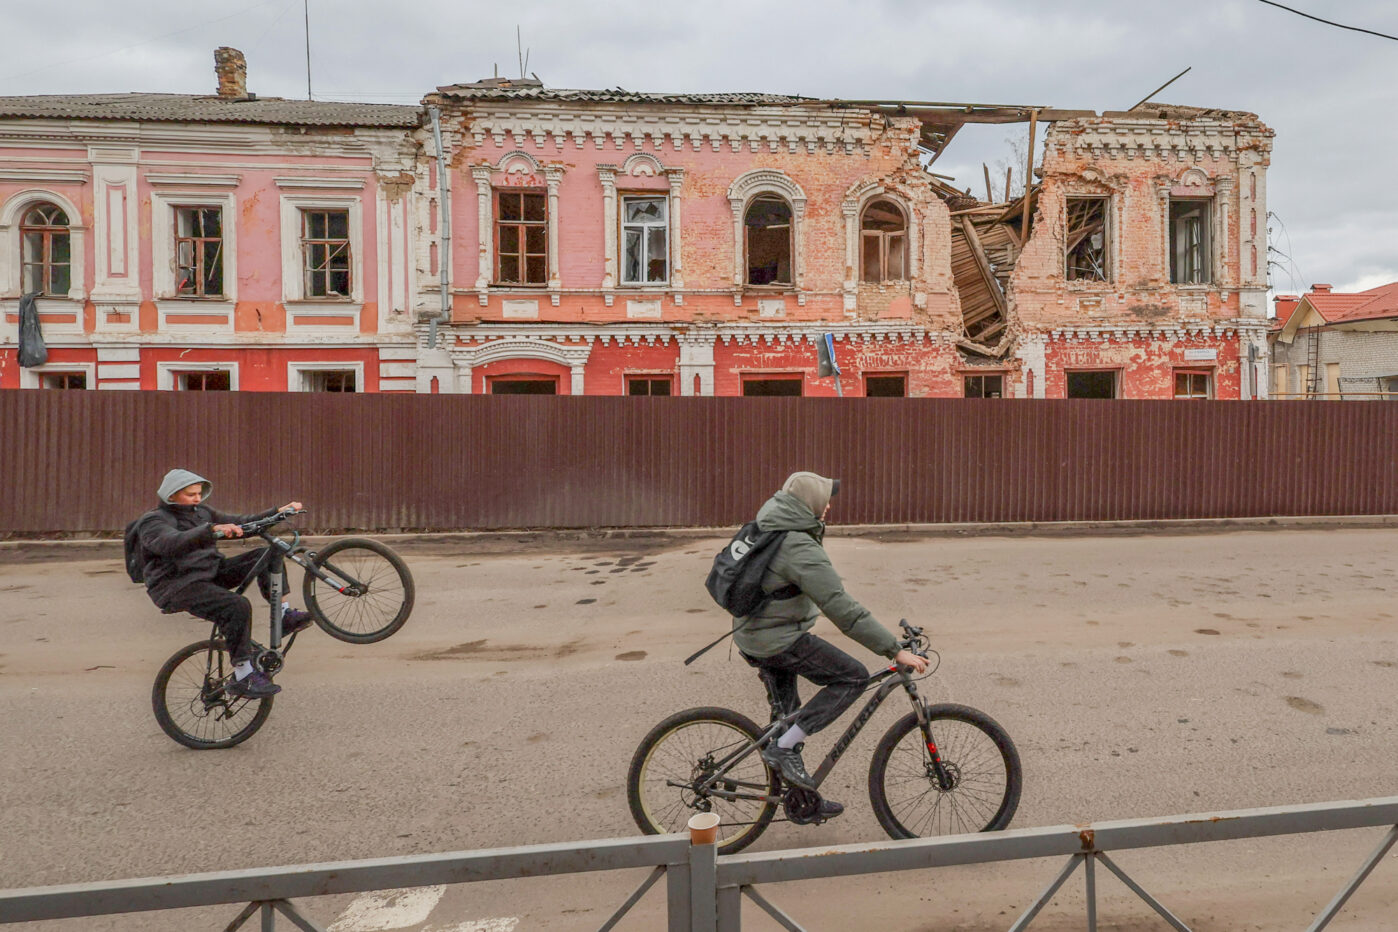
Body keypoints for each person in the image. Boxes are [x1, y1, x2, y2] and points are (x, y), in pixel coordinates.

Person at [735, 470, 928, 818]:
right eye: (824, 501)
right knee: (852, 676)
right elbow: (841, 606)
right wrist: (892, 649)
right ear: (808, 503)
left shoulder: (773, 525)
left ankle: (802, 799)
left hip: (756, 633)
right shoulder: (796, 545)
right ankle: (783, 749)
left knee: (788, 723)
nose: (828, 507)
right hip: (775, 638)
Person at [137, 468, 309, 699]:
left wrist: (277, 513)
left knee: (267, 554)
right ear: (171, 495)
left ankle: (284, 615)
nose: (197, 498)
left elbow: (241, 524)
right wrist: (209, 530)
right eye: (190, 494)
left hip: (210, 573)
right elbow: (170, 542)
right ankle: (243, 675)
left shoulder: (202, 513)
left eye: (199, 494)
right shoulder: (153, 520)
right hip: (177, 585)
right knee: (236, 606)